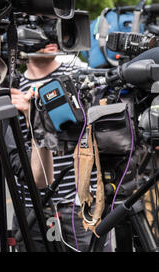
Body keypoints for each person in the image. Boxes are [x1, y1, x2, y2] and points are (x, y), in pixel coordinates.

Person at [10, 43, 100, 251]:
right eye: (42, 24)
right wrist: (30, 115)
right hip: (33, 207)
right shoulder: (13, 89)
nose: (52, 37)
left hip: (80, 204)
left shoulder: (79, 77)